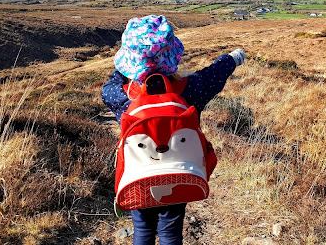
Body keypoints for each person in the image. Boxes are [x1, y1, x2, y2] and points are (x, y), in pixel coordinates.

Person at [101, 15, 245, 245]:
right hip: (178, 172)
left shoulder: (121, 95)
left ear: (129, 62)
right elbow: (214, 75)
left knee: (143, 229)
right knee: (170, 231)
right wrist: (233, 58)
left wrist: (125, 67)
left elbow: (107, 87)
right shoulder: (190, 89)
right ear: (173, 56)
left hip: (140, 174)